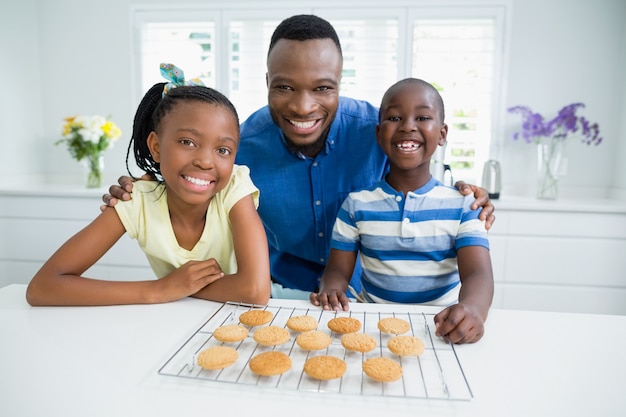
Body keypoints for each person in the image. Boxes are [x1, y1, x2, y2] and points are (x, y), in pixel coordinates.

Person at [102, 15, 495, 300]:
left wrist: (462, 191)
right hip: (276, 290)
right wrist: (149, 185)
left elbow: (416, 163)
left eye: (322, 88)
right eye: (285, 87)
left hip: (364, 296)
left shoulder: (377, 129)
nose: (303, 106)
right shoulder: (244, 144)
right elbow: (197, 176)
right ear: (267, 83)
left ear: (340, 83)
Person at [26, 64, 270, 306]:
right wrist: (158, 289)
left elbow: (256, 291)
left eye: (223, 150)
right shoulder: (137, 201)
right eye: (188, 142)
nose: (206, 161)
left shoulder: (233, 188)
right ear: (156, 147)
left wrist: (177, 288)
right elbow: (43, 287)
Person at [310, 78, 494, 344]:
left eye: (422, 117)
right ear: (379, 133)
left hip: (442, 326)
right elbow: (338, 270)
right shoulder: (356, 204)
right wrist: (332, 289)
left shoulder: (464, 205)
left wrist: (474, 309)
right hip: (371, 324)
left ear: (442, 134)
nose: (408, 126)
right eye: (395, 117)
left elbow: (479, 273)